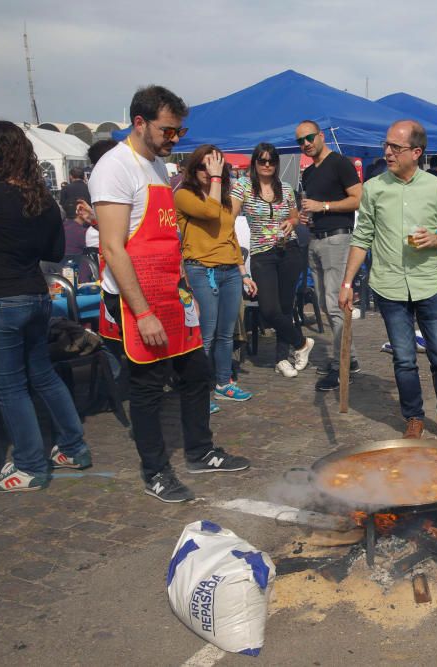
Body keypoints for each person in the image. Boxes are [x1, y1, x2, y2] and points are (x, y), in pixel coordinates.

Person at [89, 86, 249, 503]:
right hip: (135, 300)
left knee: (196, 373)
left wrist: (182, 293)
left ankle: (199, 451)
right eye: (168, 131)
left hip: (172, 294)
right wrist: (142, 313)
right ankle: (155, 471)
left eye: (180, 131)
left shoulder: (157, 167)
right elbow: (113, 247)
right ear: (139, 123)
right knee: (147, 386)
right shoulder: (115, 167)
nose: (175, 139)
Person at [339, 120, 437, 441]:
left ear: (416, 152)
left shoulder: (436, 187)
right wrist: (346, 283)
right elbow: (362, 237)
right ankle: (413, 417)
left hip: (428, 284)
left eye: (395, 148)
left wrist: (435, 239)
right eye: (386, 145)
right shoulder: (373, 188)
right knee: (403, 359)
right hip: (389, 287)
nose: (387, 152)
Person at [0, 120, 93, 493]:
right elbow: (55, 252)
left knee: (10, 388)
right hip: (35, 295)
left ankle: (31, 465)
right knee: (42, 376)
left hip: (0, 298)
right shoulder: (41, 198)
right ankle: (73, 447)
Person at [175, 145, 258, 414]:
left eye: (216, 166)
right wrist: (215, 179)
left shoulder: (222, 199)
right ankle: (199, 390)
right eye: (204, 166)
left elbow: (229, 235)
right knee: (205, 334)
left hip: (229, 272)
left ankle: (223, 382)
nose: (209, 171)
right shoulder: (184, 195)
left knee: (225, 333)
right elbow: (209, 213)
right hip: (201, 270)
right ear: (194, 168)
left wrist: (243, 273)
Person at [231, 143, 314, 378]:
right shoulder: (243, 187)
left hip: (289, 251)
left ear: (276, 164)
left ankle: (281, 358)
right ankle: (301, 343)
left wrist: (292, 223)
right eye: (262, 160)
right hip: (262, 254)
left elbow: (296, 217)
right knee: (269, 309)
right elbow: (229, 219)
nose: (267, 165)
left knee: (286, 307)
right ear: (254, 163)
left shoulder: (285, 188)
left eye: (271, 161)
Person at [295, 121, 362, 392]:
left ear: (321, 136)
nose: (306, 143)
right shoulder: (309, 172)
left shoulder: (340, 163)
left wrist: (323, 206)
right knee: (325, 304)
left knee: (335, 306)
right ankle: (350, 359)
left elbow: (358, 199)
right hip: (316, 240)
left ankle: (342, 366)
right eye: (301, 141)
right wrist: (304, 216)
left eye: (309, 137)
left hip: (337, 239)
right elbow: (311, 206)